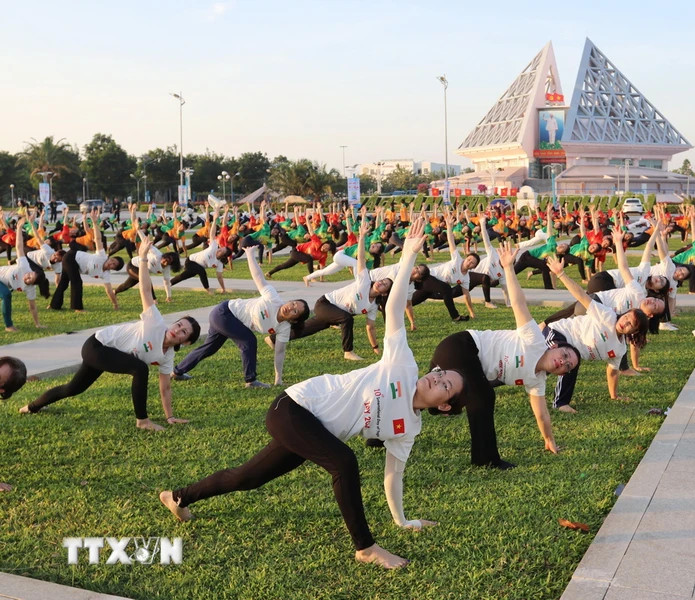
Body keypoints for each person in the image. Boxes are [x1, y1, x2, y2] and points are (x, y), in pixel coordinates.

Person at [159, 219, 466, 569]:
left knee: (249, 477)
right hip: (293, 407)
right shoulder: (404, 366)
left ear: (444, 406)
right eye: (440, 373)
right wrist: (409, 255)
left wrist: (402, 520)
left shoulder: (408, 428)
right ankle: (365, 547)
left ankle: (178, 496)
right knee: (344, 462)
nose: (436, 377)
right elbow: (394, 309)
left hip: (313, 430)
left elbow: (393, 475)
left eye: (446, 385)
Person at [20, 234, 201, 430]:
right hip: (97, 345)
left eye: (184, 332)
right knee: (140, 368)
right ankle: (142, 421)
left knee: (73, 389)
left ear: (186, 342)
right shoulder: (156, 323)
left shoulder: (167, 357)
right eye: (178, 325)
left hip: (107, 353)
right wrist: (143, 258)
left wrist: (170, 416)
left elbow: (165, 388)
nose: (177, 330)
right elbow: (146, 291)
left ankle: (31, 407)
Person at [427, 241, 581, 469]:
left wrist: (549, 440)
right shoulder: (535, 341)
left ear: (561, 373)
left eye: (567, 366)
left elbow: (541, 414)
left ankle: (379, 432)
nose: (564, 362)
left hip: (466, 363)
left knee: (428, 395)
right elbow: (519, 304)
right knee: (483, 396)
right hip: (462, 345)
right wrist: (508, 268)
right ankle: (486, 460)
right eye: (566, 354)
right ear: (555, 347)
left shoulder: (537, 381)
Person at [172, 243, 309, 387]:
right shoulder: (273, 298)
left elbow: (279, 353)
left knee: (209, 348)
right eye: (293, 303)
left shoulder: (284, 328)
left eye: (295, 311)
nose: (290, 307)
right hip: (224, 312)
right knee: (249, 340)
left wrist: (278, 378)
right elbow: (258, 277)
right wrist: (250, 255)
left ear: (294, 320)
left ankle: (177, 372)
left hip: (230, 321)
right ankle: (250, 380)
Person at [545, 254, 650, 412]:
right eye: (626, 317)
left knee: (535, 367)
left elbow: (613, 372)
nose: (625, 322)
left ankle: (495, 380)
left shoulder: (620, 349)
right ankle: (561, 403)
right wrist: (561, 274)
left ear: (634, 332)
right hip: (558, 332)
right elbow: (581, 295)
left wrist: (614, 396)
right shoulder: (607, 315)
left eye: (630, 324)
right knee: (566, 357)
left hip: (568, 350)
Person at [289, 209, 391, 360]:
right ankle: (348, 352)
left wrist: (375, 347)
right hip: (326, 303)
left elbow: (370, 327)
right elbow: (361, 260)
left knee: (307, 329)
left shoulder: (373, 307)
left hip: (334, 311)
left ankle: (274, 338)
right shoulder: (365, 282)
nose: (380, 282)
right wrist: (362, 237)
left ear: (384, 293)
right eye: (381, 280)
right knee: (347, 318)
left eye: (384, 285)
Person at [48, 208, 124, 312]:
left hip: (73, 263)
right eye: (112, 260)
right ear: (110, 258)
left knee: (64, 283)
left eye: (114, 265)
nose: (111, 263)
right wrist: (94, 222)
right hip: (71, 257)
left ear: (114, 269)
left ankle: (54, 305)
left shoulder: (105, 274)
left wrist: (115, 304)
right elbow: (98, 239)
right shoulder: (102, 256)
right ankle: (78, 308)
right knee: (77, 282)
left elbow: (109, 290)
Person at [171, 204, 230, 294]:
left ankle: (168, 283)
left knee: (183, 276)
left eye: (222, 251)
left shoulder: (219, 263)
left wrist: (223, 289)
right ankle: (208, 290)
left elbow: (219, 276)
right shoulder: (214, 247)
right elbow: (212, 234)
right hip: (191, 261)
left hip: (196, 267)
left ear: (223, 256)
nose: (219, 249)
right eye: (221, 248)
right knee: (201, 271)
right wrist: (214, 220)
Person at [0, 215, 44, 331]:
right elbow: (19, 247)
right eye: (29, 275)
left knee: (6, 294)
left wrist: (37, 324)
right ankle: (9, 326)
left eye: (30, 280)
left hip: (4, 283)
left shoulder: (30, 289)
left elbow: (33, 307)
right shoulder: (25, 266)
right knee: (6, 295)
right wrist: (19, 229)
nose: (27, 278)